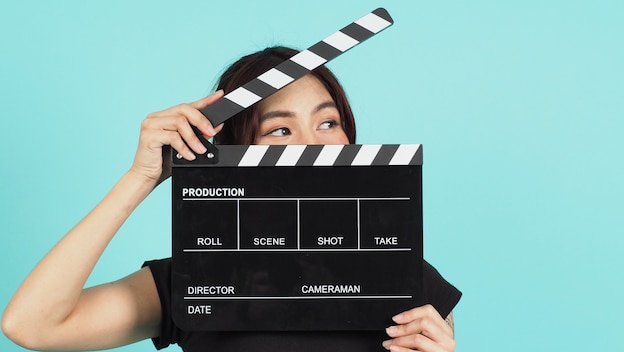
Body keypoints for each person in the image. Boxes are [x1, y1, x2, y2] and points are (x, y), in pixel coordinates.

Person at [2, 46, 461, 352]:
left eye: (328, 123)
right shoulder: (196, 279)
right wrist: (140, 178)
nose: (313, 144)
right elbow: (32, 325)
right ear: (238, 155)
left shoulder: (406, 279)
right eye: (280, 130)